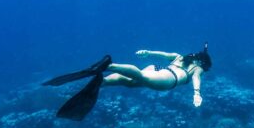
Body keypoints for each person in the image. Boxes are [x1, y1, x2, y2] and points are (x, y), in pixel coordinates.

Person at [43, 43, 212, 121]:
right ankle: (109, 65)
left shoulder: (179, 56)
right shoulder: (198, 69)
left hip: (159, 69)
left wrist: (148, 52)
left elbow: (162, 54)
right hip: (168, 79)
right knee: (141, 77)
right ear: (202, 62)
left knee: (129, 82)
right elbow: (196, 80)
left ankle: (102, 82)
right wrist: (197, 94)